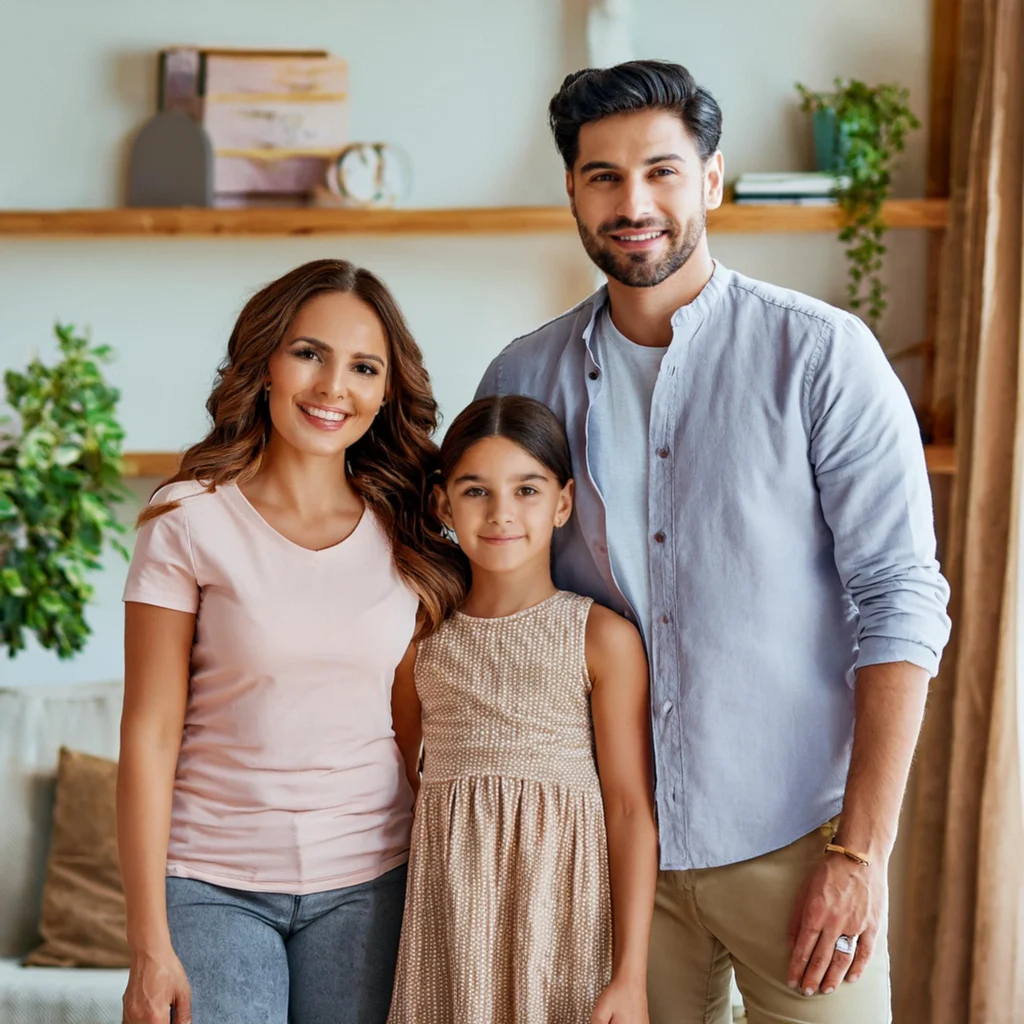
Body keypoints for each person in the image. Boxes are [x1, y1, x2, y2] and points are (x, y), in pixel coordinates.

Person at [476, 61, 952, 1024]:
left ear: (712, 181)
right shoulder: (522, 378)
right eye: (603, 175)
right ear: (571, 190)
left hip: (798, 849)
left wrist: (860, 854)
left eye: (660, 170)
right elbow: (491, 594)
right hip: (609, 857)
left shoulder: (821, 356)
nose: (633, 201)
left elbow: (901, 600)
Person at [117, 259, 463, 1024]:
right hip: (210, 887)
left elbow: (414, 732)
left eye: (363, 367)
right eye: (309, 353)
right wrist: (148, 946)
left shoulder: (407, 531)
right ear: (266, 362)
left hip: (373, 885)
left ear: (385, 392)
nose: (333, 386)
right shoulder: (187, 517)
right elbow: (147, 733)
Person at [386, 394, 658, 1024]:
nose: (501, 513)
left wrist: (632, 976)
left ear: (563, 502)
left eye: (527, 491)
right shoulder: (418, 640)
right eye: (476, 491)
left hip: (565, 919)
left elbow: (628, 808)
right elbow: (408, 781)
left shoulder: (602, 638)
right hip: (450, 923)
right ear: (442, 503)